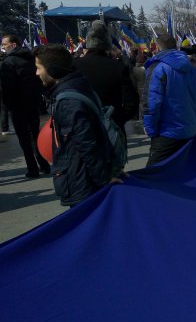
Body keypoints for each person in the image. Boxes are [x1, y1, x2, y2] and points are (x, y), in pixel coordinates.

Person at [34, 44, 111, 205]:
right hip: (83, 178)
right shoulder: (76, 87)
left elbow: (85, 143)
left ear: (52, 69)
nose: (37, 73)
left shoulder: (69, 100)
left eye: (38, 68)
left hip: (82, 182)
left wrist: (104, 179)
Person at [142, 33, 196, 166]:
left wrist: (150, 128)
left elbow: (151, 102)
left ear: (158, 48)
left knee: (154, 176)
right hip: (188, 129)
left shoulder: (158, 68)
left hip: (166, 133)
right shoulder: (193, 69)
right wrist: (195, 122)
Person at [73, 21, 139, 139]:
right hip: (112, 129)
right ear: (107, 44)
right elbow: (132, 102)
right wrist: (119, 119)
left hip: (82, 128)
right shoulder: (118, 67)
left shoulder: (74, 66)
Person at [0, 33, 51, 177]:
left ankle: (32, 169)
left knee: (24, 139)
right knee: (35, 135)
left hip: (17, 106)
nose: (3, 47)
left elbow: (7, 88)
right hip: (32, 102)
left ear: (13, 45)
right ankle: (44, 165)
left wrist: (8, 105)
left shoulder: (8, 62)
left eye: (4, 44)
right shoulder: (31, 59)